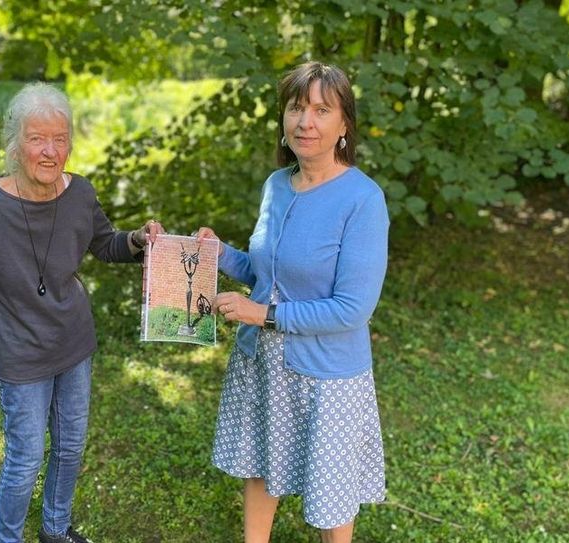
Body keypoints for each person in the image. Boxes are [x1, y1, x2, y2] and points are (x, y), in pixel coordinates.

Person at [0, 83, 164, 543]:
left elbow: (105, 243)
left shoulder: (80, 193)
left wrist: (138, 241)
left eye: (60, 139)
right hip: (18, 353)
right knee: (25, 458)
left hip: (73, 343)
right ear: (14, 143)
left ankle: (56, 529)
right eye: (36, 139)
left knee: (69, 448)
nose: (50, 151)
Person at [196, 61, 389, 543]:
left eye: (322, 110)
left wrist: (263, 315)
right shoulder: (277, 185)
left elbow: (353, 308)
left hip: (327, 375)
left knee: (330, 493)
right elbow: (268, 272)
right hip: (264, 363)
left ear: (344, 125)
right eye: (297, 108)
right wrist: (216, 253)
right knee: (261, 463)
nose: (306, 121)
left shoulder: (363, 199)